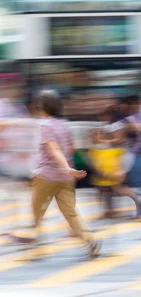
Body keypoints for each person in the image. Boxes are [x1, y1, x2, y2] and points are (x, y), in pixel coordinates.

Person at [11, 90, 102, 257]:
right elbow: (71, 148)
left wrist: (66, 167)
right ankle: (90, 239)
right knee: (70, 213)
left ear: (41, 107)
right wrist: (72, 168)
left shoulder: (44, 125)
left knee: (36, 212)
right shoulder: (64, 124)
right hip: (66, 179)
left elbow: (54, 149)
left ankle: (31, 241)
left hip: (47, 176)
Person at [89, 106, 141, 219]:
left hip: (116, 157)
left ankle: (136, 200)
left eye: (102, 115)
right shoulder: (110, 125)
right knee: (110, 187)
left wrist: (102, 140)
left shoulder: (115, 125)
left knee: (115, 186)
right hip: (114, 156)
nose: (100, 118)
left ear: (108, 115)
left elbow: (121, 140)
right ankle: (110, 210)